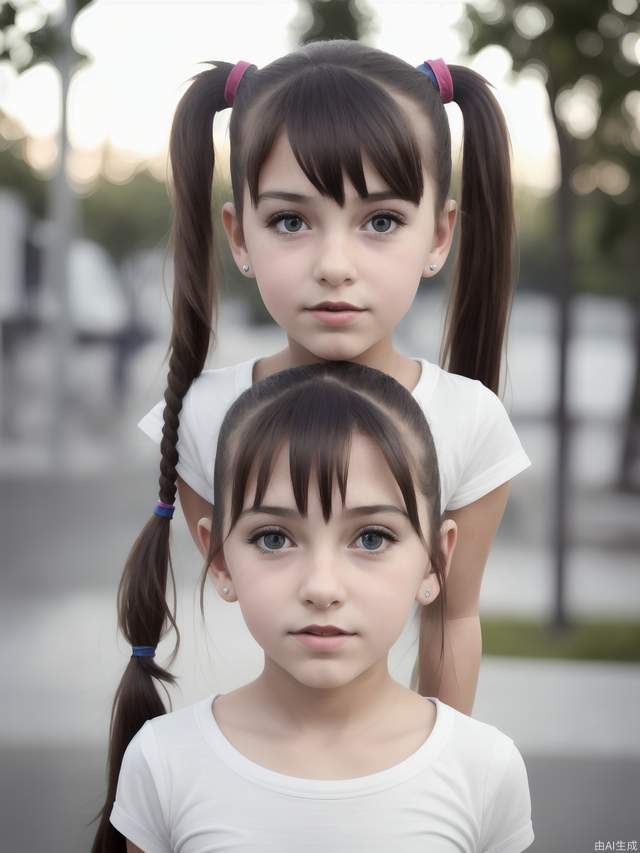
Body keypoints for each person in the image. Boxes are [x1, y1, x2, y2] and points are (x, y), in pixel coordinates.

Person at [135, 41, 531, 720]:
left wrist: (442, 777)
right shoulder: (204, 416)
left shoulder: (469, 420)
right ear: (240, 235)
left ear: (439, 235)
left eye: (380, 221)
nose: (334, 264)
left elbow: (452, 620)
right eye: (291, 221)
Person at [107, 361, 535, 852]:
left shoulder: (485, 768)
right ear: (220, 560)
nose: (322, 587)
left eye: (372, 538)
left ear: (434, 561)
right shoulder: (164, 763)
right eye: (274, 538)